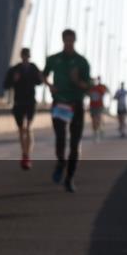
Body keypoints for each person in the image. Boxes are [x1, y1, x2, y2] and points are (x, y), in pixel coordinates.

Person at [43, 29, 92, 193]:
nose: (69, 44)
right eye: (66, 41)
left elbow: (88, 87)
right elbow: (43, 75)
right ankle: (60, 162)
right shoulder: (54, 59)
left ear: (75, 41)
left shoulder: (82, 62)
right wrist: (50, 86)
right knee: (60, 137)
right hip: (60, 103)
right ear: (63, 40)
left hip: (76, 104)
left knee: (75, 143)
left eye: (71, 41)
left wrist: (77, 81)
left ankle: (69, 178)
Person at [3, 47, 43, 169]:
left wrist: (40, 77)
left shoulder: (33, 68)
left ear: (29, 56)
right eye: (24, 55)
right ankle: (24, 153)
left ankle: (27, 156)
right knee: (21, 129)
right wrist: (14, 80)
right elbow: (6, 85)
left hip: (30, 102)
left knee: (29, 127)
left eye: (27, 56)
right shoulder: (14, 69)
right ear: (21, 56)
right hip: (19, 102)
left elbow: (39, 82)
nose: (26, 58)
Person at [87, 77, 110, 141]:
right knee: (93, 120)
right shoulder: (90, 88)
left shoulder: (101, 87)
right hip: (92, 106)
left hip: (99, 106)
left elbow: (106, 91)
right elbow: (88, 94)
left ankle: (99, 131)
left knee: (98, 119)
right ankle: (96, 132)